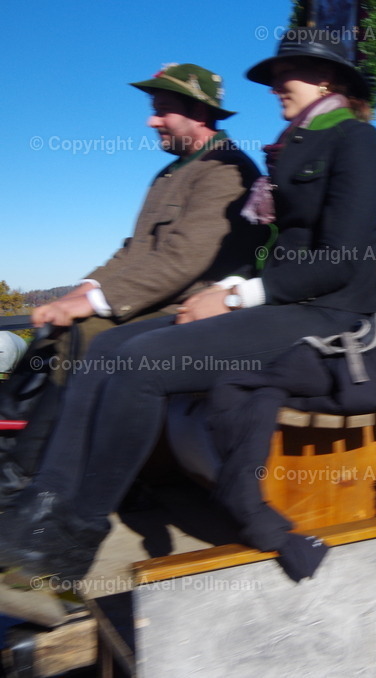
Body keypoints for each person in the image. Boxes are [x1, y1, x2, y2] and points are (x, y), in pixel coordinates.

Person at [0, 33, 376, 585]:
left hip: (328, 315)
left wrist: (233, 296)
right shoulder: (296, 144)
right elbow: (275, 249)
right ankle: (44, 506)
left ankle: (75, 537)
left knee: (141, 365)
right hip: (280, 301)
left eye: (290, 73)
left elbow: (340, 263)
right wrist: (232, 288)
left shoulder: (358, 143)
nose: (277, 84)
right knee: (109, 345)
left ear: (329, 81)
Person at [0, 63, 263, 496]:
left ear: (199, 113)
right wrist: (83, 290)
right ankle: (16, 456)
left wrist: (99, 303)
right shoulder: (170, 174)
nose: (150, 120)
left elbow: (184, 258)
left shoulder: (226, 171)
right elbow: (133, 250)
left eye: (162, 110)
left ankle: (28, 474)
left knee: (87, 332)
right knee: (58, 326)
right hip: (157, 296)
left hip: (195, 307)